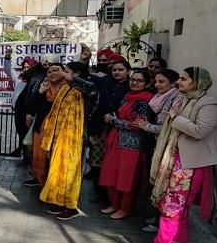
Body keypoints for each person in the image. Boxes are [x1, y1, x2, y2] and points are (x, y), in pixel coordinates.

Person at [140, 67, 217, 243]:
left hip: (189, 163)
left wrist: (175, 118)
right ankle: (180, 238)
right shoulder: (181, 99)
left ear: (197, 82)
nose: (179, 82)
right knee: (173, 203)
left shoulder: (210, 104)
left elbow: (199, 131)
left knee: (172, 205)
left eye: (184, 79)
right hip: (172, 157)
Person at [40, 62, 97, 220]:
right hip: (58, 137)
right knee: (58, 170)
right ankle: (59, 201)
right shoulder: (65, 87)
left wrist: (68, 77)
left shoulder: (85, 87)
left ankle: (71, 207)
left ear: (77, 73)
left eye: (67, 71)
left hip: (74, 138)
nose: (63, 74)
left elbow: (91, 89)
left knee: (71, 172)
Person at [99, 69, 154, 219]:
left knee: (127, 178)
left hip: (133, 145)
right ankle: (114, 204)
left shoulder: (146, 101)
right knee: (113, 174)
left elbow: (137, 124)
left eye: (139, 80)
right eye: (132, 79)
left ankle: (125, 207)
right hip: (117, 141)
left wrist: (115, 121)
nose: (134, 82)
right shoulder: (126, 97)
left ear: (147, 83)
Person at [133, 68, 180, 232]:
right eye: (156, 81)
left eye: (162, 82)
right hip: (156, 144)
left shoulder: (174, 98)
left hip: (166, 146)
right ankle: (158, 217)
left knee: (162, 184)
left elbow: (164, 127)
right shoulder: (160, 97)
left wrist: (147, 126)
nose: (157, 85)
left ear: (173, 83)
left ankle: (162, 221)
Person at [87, 58, 131, 202]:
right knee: (96, 159)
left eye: (121, 70)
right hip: (100, 127)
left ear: (128, 71)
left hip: (119, 129)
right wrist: (92, 130)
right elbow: (98, 104)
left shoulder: (131, 86)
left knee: (112, 162)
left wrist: (114, 117)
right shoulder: (105, 82)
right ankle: (99, 192)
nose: (117, 72)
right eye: (114, 70)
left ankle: (111, 195)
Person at [25, 63, 66, 186]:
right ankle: (40, 181)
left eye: (55, 70)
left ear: (64, 72)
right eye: (49, 72)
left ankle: (52, 187)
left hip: (59, 132)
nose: (52, 73)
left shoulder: (68, 90)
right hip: (41, 130)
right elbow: (30, 106)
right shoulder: (44, 87)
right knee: (39, 156)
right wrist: (40, 91)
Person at [4, 49, 35, 165]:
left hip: (30, 113)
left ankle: (31, 158)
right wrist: (7, 57)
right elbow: (8, 70)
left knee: (29, 136)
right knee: (21, 134)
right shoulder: (19, 78)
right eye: (24, 67)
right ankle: (25, 157)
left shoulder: (35, 80)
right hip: (19, 112)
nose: (26, 69)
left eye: (28, 67)